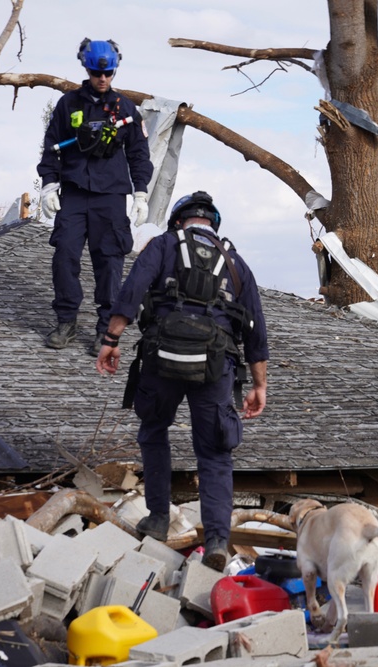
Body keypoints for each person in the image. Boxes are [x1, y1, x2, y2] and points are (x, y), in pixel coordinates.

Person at [96, 191, 268, 571]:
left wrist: (111, 340)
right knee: (215, 453)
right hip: (216, 366)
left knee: (154, 430)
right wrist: (259, 385)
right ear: (213, 225)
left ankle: (158, 518)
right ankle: (218, 539)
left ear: (178, 221)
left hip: (162, 359)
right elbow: (255, 329)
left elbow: (132, 289)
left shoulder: (163, 246)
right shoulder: (236, 264)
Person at [37, 38, 154, 355]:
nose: (102, 79)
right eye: (96, 72)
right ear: (86, 69)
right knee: (64, 256)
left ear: (115, 70)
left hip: (111, 197)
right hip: (73, 193)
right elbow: (51, 148)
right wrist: (49, 184)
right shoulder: (68, 105)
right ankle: (66, 322)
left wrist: (141, 193)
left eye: (108, 73)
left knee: (110, 263)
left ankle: (105, 329)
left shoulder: (126, 109)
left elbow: (139, 155)